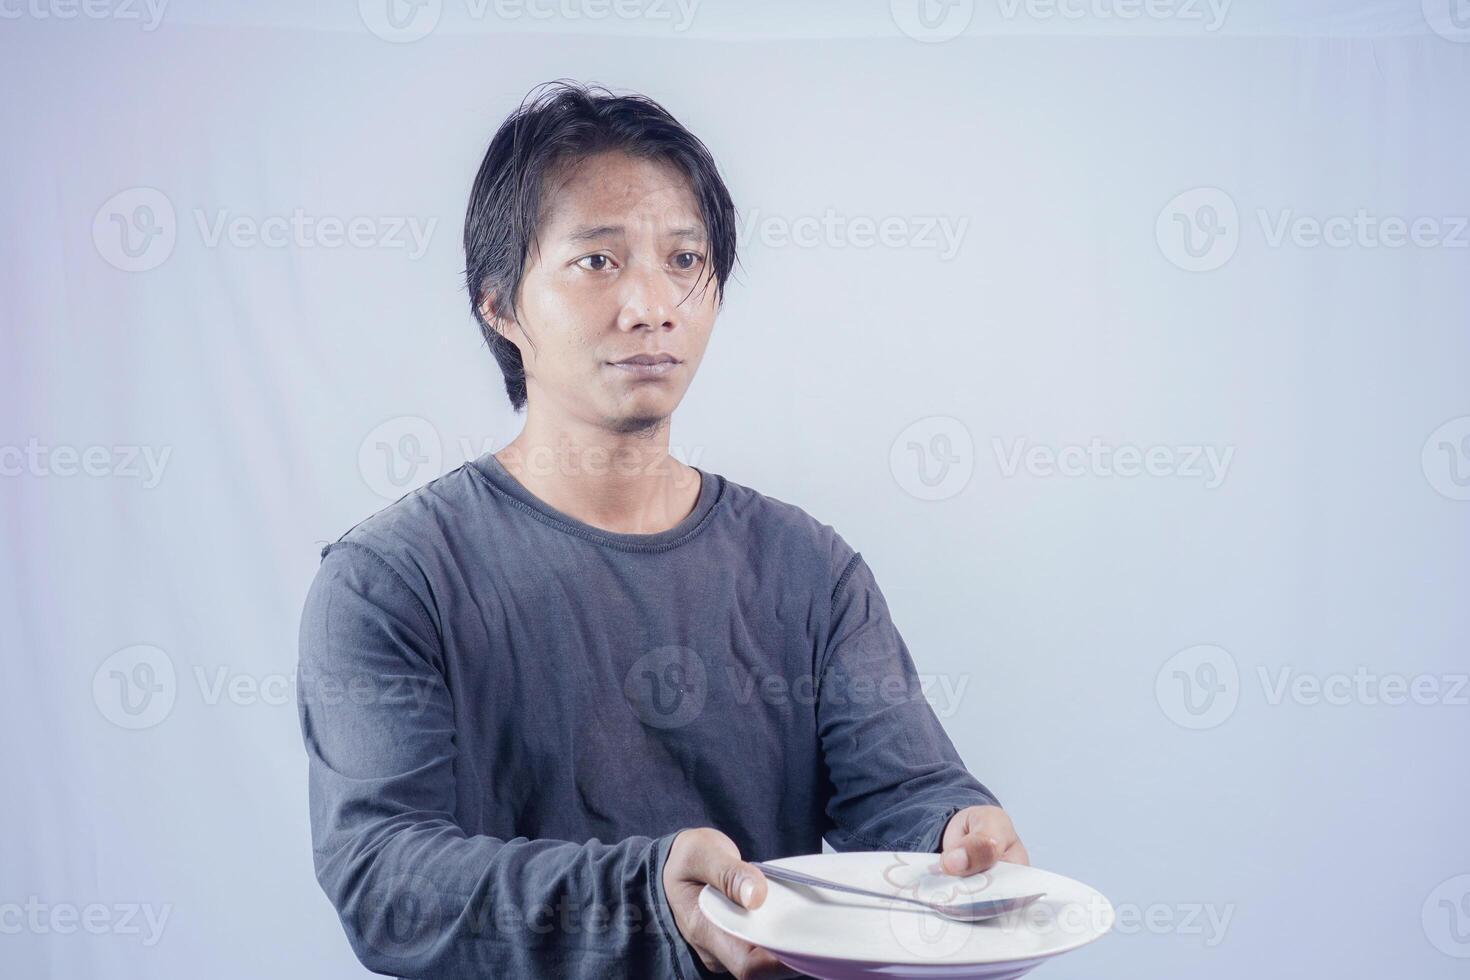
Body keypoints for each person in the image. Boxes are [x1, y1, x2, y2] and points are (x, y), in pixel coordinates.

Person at [296, 79, 1028, 980]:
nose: (652, 305)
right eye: (598, 262)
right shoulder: (391, 581)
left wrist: (958, 836)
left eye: (684, 260)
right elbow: (386, 881)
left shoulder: (809, 568)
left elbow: (906, 790)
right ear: (498, 303)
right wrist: (649, 898)